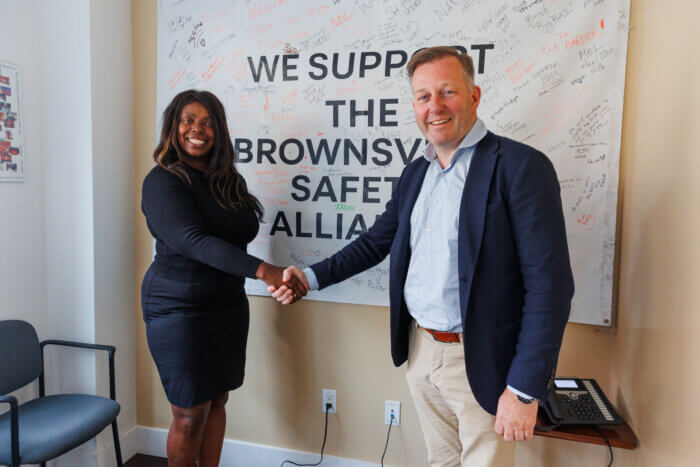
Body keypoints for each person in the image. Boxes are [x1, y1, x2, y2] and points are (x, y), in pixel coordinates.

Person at [269, 47, 574, 466]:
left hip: (483, 357)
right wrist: (308, 276)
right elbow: (375, 242)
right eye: (423, 96)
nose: (435, 106)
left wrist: (524, 389)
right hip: (422, 350)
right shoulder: (416, 173)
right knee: (440, 462)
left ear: (474, 96)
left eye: (447, 91)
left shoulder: (520, 167)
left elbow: (550, 286)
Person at [141, 89, 306, 467]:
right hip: (179, 309)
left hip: (227, 306)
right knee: (189, 413)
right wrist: (265, 271)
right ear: (173, 126)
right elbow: (193, 241)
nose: (197, 129)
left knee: (217, 399)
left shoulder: (226, 180)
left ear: (220, 132)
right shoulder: (163, 182)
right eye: (188, 120)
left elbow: (237, 234)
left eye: (208, 122)